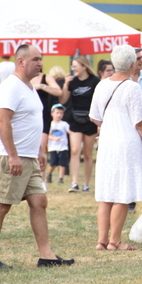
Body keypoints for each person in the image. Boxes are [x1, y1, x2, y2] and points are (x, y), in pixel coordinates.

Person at [0, 44, 74, 269]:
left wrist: (39, 151)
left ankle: (46, 256)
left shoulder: (29, 87)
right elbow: (3, 121)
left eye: (41, 59)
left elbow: (30, 120)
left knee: (39, 201)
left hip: (28, 156)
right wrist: (13, 156)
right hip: (10, 156)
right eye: (35, 59)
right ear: (21, 61)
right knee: (1, 205)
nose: (40, 63)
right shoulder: (11, 87)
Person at [90, 45, 142, 251]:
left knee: (106, 193)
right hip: (127, 143)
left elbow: (94, 117)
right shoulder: (132, 87)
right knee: (122, 192)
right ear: (130, 64)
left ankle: (102, 240)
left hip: (107, 142)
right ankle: (115, 241)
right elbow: (140, 122)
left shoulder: (101, 85)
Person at [60, 56, 100, 193]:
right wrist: (66, 84)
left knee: (88, 154)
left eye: (75, 66)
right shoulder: (72, 81)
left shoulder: (95, 81)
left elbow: (98, 101)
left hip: (90, 120)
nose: (73, 69)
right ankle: (74, 183)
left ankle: (86, 184)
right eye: (72, 66)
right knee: (75, 150)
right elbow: (64, 100)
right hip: (75, 118)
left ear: (84, 66)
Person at [31, 66, 62, 156]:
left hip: (42, 117)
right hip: (26, 117)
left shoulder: (46, 77)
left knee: (39, 151)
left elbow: (59, 92)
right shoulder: (21, 79)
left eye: (39, 59)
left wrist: (41, 86)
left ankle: (41, 170)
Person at [46, 104, 70, 185]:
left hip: (63, 147)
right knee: (53, 163)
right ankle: (49, 173)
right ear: (52, 113)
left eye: (61, 113)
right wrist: (53, 138)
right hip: (53, 147)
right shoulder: (50, 124)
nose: (59, 115)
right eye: (57, 113)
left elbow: (70, 132)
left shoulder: (64, 124)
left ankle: (61, 179)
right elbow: (47, 135)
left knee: (62, 164)